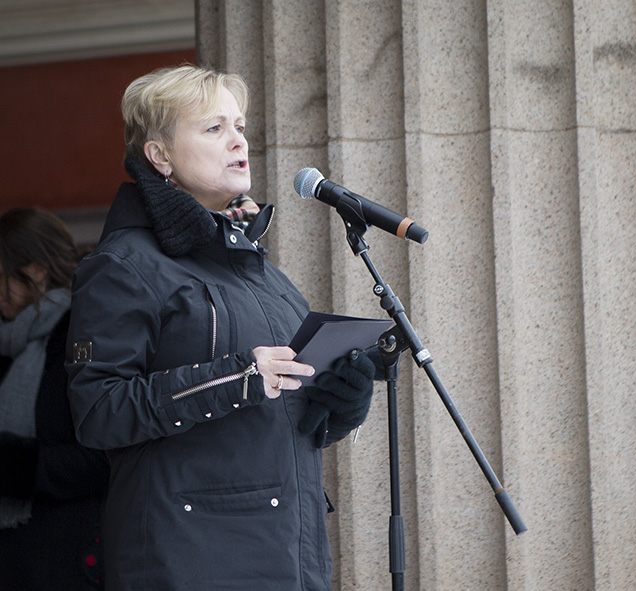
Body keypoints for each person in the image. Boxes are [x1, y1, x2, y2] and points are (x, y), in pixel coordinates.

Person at [66, 64, 379, 590]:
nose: (238, 141)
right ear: (159, 155)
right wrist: (238, 379)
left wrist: (339, 407)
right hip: (188, 559)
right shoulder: (123, 266)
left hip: (287, 553)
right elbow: (98, 412)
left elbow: (276, 416)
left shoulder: (259, 269)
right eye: (213, 128)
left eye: (239, 127)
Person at [0, 207, 110, 590]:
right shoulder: (8, 341)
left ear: (35, 272)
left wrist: (17, 465)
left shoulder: (81, 333)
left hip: (65, 555)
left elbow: (101, 456)